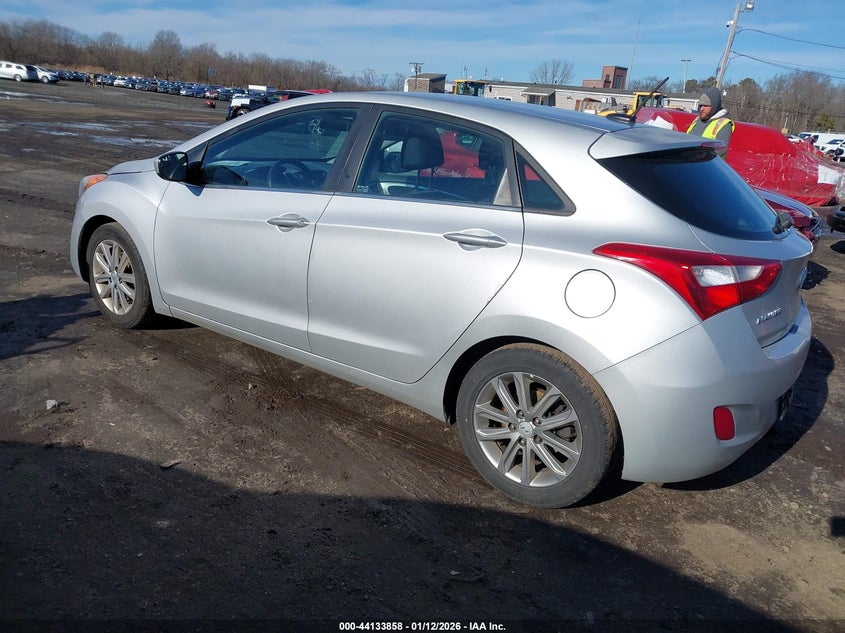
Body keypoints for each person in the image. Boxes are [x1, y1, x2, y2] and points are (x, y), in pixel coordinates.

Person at [686, 87, 734, 157]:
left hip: (707, 166)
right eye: (701, 105)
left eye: (705, 105)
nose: (702, 108)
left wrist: (697, 156)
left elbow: (720, 150)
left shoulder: (723, 124)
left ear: (714, 106)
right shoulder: (697, 120)